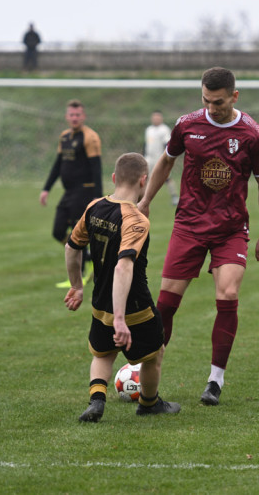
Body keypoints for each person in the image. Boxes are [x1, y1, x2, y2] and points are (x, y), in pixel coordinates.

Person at [137, 67, 259, 406]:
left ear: (234, 97)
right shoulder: (187, 125)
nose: (212, 108)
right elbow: (166, 162)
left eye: (219, 102)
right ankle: (145, 373)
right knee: (166, 304)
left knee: (228, 293)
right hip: (189, 224)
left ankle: (215, 380)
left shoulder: (252, 133)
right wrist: (146, 200)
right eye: (206, 101)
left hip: (231, 229)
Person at [64, 152, 181, 421]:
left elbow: (71, 248)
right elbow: (123, 267)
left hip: (101, 300)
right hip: (133, 303)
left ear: (114, 177)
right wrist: (120, 319)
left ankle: (96, 401)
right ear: (143, 181)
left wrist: (77, 286)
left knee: (103, 354)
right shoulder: (135, 219)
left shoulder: (94, 207)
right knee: (154, 354)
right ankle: (149, 404)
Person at [41, 100, 103, 288]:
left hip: (84, 191)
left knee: (78, 233)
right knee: (58, 231)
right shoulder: (64, 137)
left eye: (78, 115)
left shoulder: (90, 137)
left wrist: (97, 196)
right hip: (69, 193)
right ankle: (89, 258)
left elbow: (96, 168)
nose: (74, 118)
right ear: (66, 117)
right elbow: (58, 164)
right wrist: (46, 188)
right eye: (71, 115)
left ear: (83, 117)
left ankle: (79, 278)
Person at [144, 111, 178, 206]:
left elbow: (167, 144)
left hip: (159, 158)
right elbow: (146, 144)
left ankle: (174, 196)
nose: (156, 119)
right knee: (145, 177)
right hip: (149, 158)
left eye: (157, 117)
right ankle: (143, 197)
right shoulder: (149, 129)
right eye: (154, 117)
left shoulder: (164, 129)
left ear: (161, 118)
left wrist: (166, 159)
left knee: (167, 178)